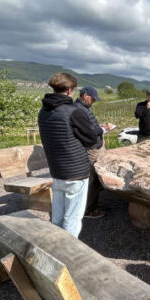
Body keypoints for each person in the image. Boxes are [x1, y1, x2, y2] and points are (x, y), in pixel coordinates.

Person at [38, 73, 101, 238]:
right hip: (76, 173)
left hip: (56, 171)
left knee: (57, 217)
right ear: (69, 90)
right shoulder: (73, 112)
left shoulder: (43, 112)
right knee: (72, 218)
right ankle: (68, 257)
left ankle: (56, 250)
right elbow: (91, 139)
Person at [75, 86, 116, 218]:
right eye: (92, 99)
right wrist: (103, 129)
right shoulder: (80, 110)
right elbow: (90, 131)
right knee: (93, 180)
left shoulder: (83, 109)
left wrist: (100, 129)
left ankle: (92, 205)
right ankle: (88, 210)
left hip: (94, 147)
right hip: (91, 149)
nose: (93, 102)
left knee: (95, 179)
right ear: (85, 95)